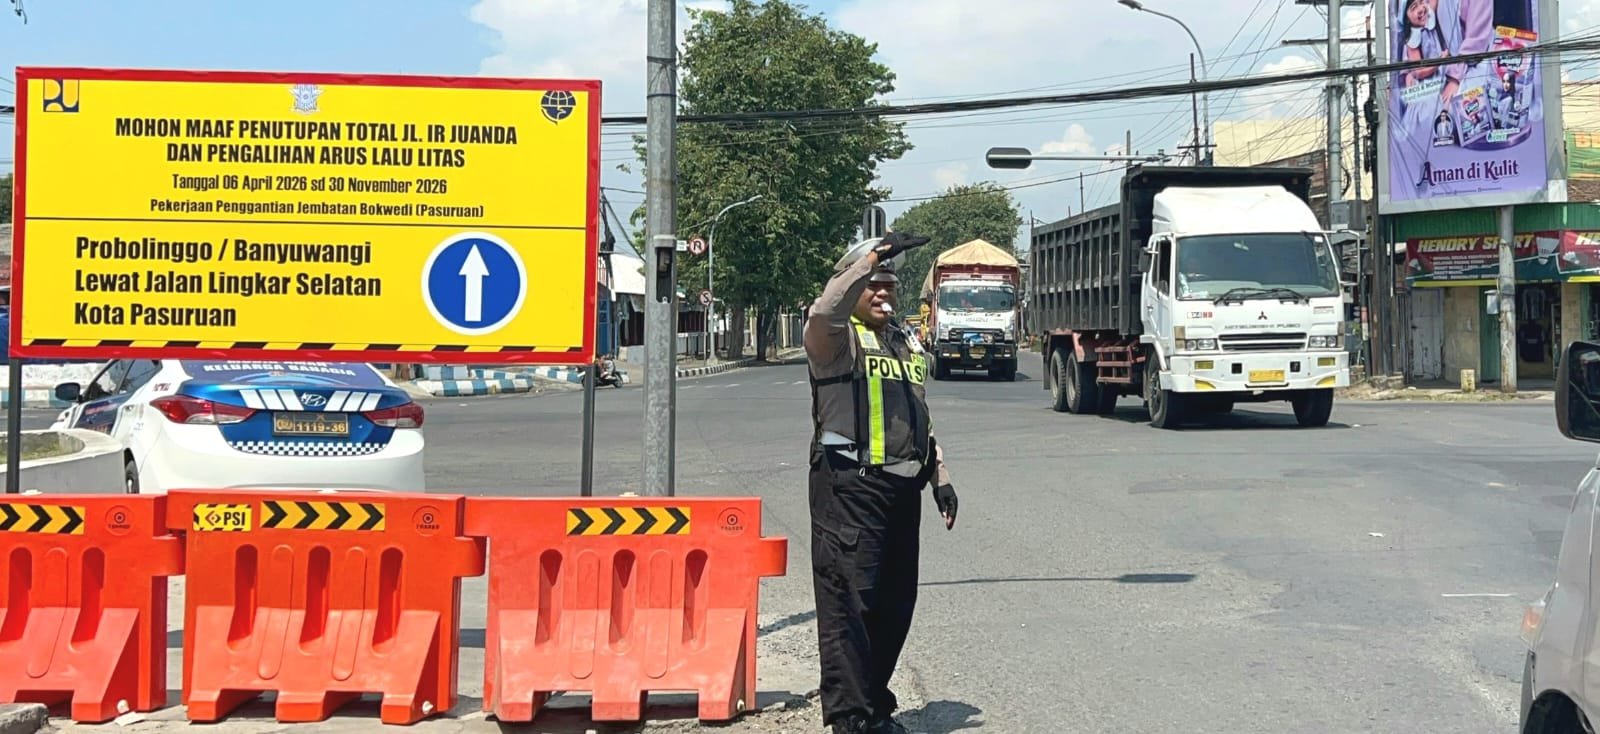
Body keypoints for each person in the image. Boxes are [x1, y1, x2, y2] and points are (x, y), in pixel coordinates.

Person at [804, 230, 959, 734]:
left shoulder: (902, 340)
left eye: (889, 285)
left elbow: (917, 414)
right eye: (873, 284)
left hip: (901, 492)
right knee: (850, 605)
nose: (883, 293)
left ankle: (873, 707)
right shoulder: (834, 339)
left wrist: (939, 477)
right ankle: (850, 718)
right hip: (849, 488)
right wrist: (867, 259)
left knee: (894, 606)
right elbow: (825, 309)